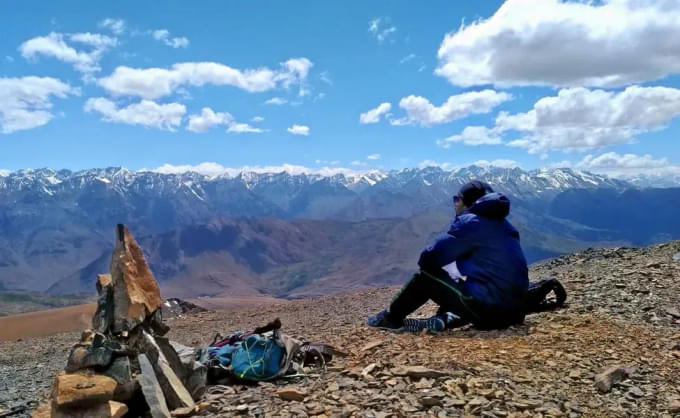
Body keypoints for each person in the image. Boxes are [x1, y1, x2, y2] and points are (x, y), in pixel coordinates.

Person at [367, 181, 529, 332]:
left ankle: (391, 319)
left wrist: (446, 264)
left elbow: (429, 257)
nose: (455, 203)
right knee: (455, 277)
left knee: (426, 276)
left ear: (467, 202)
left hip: (491, 313)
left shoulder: (471, 223)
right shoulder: (504, 225)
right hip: (516, 311)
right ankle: (447, 317)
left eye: (456, 199)